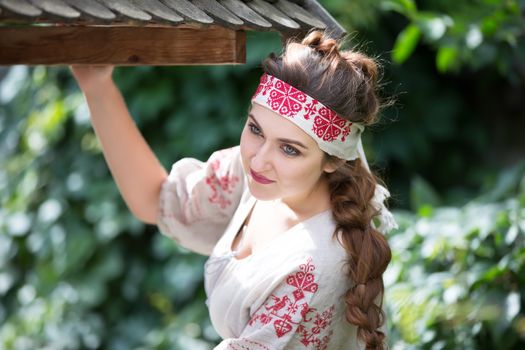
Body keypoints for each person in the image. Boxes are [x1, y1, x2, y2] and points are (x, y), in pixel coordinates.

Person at [71, 30, 397, 350]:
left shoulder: (314, 269)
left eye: (290, 149)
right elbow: (156, 200)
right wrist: (97, 85)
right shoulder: (257, 179)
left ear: (331, 160)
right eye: (255, 129)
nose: (259, 158)